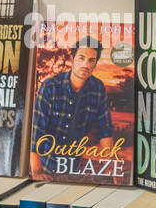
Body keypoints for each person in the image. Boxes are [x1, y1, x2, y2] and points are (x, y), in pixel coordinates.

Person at [30, 36, 114, 179]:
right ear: (73, 58)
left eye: (91, 60)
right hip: (44, 164)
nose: (86, 65)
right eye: (81, 58)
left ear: (95, 63)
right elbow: (36, 132)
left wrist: (110, 165)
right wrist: (37, 172)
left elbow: (105, 130)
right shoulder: (50, 87)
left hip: (73, 166)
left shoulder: (98, 89)